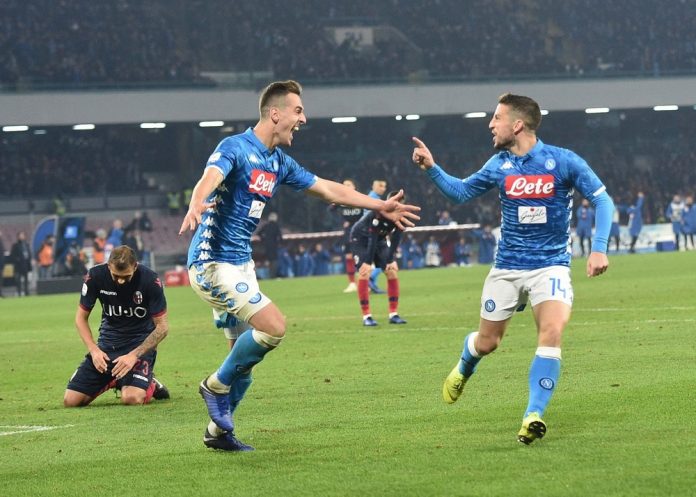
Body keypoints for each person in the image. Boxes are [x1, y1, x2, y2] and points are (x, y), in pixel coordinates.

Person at [178, 80, 420, 451]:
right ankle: (213, 386)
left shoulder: (279, 162)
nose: (303, 119)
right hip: (212, 263)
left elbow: (331, 189)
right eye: (298, 111)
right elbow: (210, 177)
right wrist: (197, 200)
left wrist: (379, 205)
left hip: (241, 265)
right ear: (275, 114)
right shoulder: (235, 147)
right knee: (274, 327)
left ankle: (218, 433)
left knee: (243, 368)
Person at [411, 92, 613, 444]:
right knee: (488, 342)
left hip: (550, 266)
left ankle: (533, 415)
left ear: (517, 125)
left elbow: (602, 200)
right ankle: (465, 363)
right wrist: (431, 168)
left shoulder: (563, 161)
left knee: (551, 332)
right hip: (507, 268)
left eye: (497, 118)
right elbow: (460, 193)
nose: (491, 124)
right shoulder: (498, 165)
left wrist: (598, 249)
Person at [64, 245, 170, 407]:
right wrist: (94, 350)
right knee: (71, 401)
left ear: (135, 266)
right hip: (107, 345)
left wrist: (134, 355)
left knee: (131, 399)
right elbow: (80, 318)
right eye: (116, 276)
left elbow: (162, 327)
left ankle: (150, 384)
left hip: (139, 346)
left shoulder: (150, 280)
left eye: (126, 277)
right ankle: (115, 380)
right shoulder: (95, 276)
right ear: (108, 266)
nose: (120, 281)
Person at [349, 191, 408, 326]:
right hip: (360, 239)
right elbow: (372, 238)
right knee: (364, 272)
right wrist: (367, 262)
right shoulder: (377, 214)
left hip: (380, 240)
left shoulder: (402, 216)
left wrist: (390, 259)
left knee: (391, 271)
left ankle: (393, 314)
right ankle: (367, 317)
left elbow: (396, 238)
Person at [334, 179, 363, 292]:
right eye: (344, 185)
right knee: (349, 257)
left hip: (360, 232)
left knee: (362, 257)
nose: (346, 186)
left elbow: (368, 212)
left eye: (348, 184)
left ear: (354, 186)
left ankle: (366, 283)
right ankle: (352, 284)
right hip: (348, 233)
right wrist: (341, 222)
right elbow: (331, 210)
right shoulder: (340, 201)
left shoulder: (360, 198)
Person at [367, 179, 388, 294]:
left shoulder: (372, 198)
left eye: (384, 186)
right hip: (374, 234)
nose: (383, 188)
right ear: (374, 186)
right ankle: (371, 279)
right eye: (380, 186)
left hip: (373, 233)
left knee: (379, 260)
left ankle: (372, 284)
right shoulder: (373, 199)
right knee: (385, 260)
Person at [257, 212, 283, 278]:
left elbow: (259, 233)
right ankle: (272, 275)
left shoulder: (266, 225)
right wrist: (280, 243)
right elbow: (280, 236)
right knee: (274, 261)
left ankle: (268, 276)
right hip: (274, 246)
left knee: (268, 260)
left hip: (266, 246)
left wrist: (263, 239)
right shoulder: (276, 226)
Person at [10, 231, 32, 296]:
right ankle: (19, 292)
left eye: (23, 235)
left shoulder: (26, 245)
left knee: (26, 279)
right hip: (18, 265)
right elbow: (13, 255)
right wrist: (18, 260)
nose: (22, 237)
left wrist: (29, 260)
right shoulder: (15, 245)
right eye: (20, 235)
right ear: (18, 237)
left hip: (26, 264)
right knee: (18, 279)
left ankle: (26, 291)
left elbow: (29, 253)